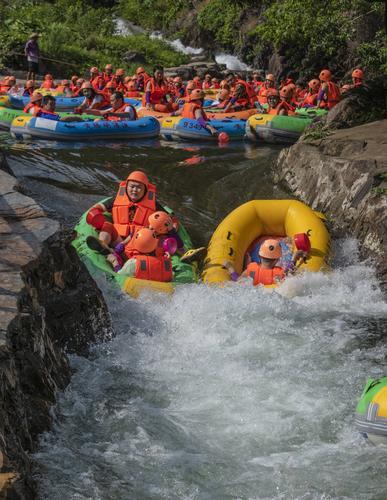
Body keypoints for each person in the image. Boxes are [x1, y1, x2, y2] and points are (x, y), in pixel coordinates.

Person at [86, 170, 166, 252]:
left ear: (145, 190)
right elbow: (98, 208)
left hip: (140, 243)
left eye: (139, 187)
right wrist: (96, 218)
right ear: (126, 187)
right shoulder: (116, 200)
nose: (134, 190)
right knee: (107, 226)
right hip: (118, 239)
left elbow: (169, 220)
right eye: (132, 186)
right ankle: (103, 245)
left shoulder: (154, 205)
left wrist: (168, 230)